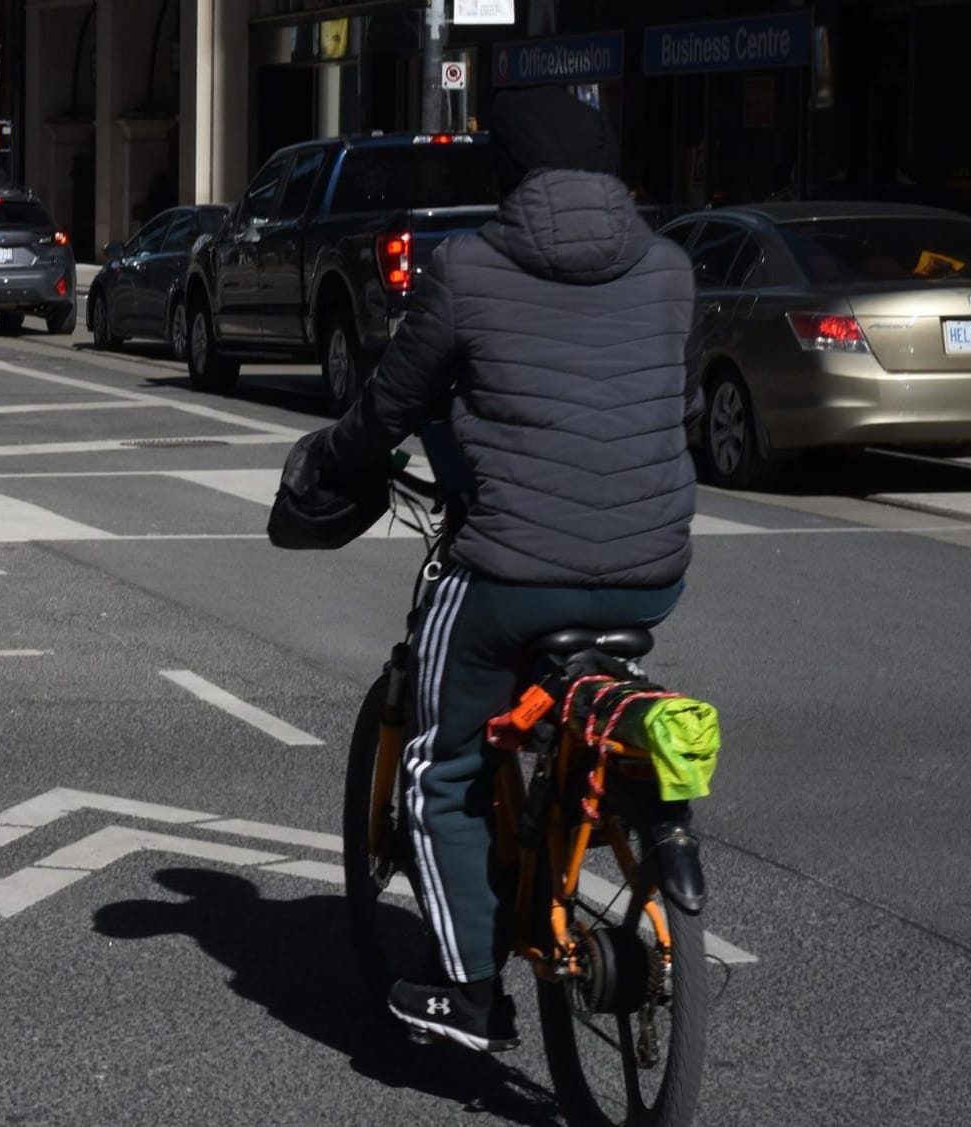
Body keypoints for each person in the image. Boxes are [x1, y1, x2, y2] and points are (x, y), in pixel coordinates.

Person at [276, 86, 700, 1051]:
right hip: (652, 568)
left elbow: (392, 402)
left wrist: (333, 460)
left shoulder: (466, 266)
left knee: (439, 761)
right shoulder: (671, 268)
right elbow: (670, 410)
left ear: (504, 175)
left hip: (511, 567)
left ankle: (467, 989)